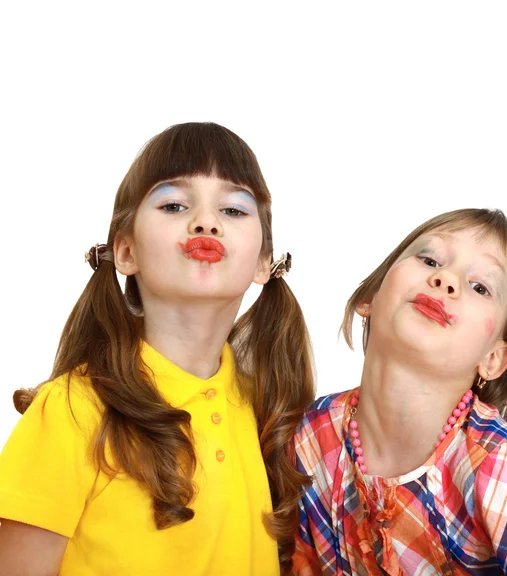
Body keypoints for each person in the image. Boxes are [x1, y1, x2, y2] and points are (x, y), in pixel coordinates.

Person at [0, 122, 314, 576]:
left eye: (233, 209)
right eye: (173, 204)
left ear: (264, 262)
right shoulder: (72, 410)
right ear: (125, 251)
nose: (206, 222)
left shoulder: (272, 412)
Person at [293, 208, 507, 575]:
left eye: (480, 287)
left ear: (493, 358)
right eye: (429, 259)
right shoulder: (312, 439)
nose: (446, 280)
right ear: (370, 296)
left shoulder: (497, 470)